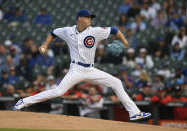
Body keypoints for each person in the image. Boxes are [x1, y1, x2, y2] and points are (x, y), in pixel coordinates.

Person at [13, 9, 151, 120]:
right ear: (80, 18)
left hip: (90, 69)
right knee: (58, 92)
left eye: (91, 17)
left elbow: (114, 30)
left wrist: (125, 41)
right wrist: (44, 44)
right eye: (87, 17)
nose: (90, 19)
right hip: (76, 69)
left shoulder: (95, 31)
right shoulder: (68, 31)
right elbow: (53, 33)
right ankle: (24, 101)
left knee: (116, 82)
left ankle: (134, 112)